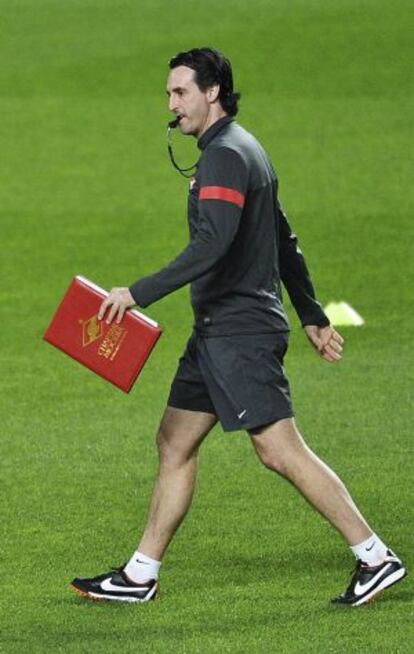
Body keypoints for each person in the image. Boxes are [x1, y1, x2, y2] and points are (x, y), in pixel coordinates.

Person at [71, 47, 406, 607]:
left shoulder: (227, 155)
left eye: (180, 92)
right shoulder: (241, 148)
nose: (171, 104)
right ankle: (140, 573)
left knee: (279, 450)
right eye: (169, 94)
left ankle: (374, 556)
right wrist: (313, 315)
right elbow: (284, 238)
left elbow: (215, 243)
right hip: (215, 333)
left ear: (212, 93)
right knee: (174, 440)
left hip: (239, 332)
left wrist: (138, 293)